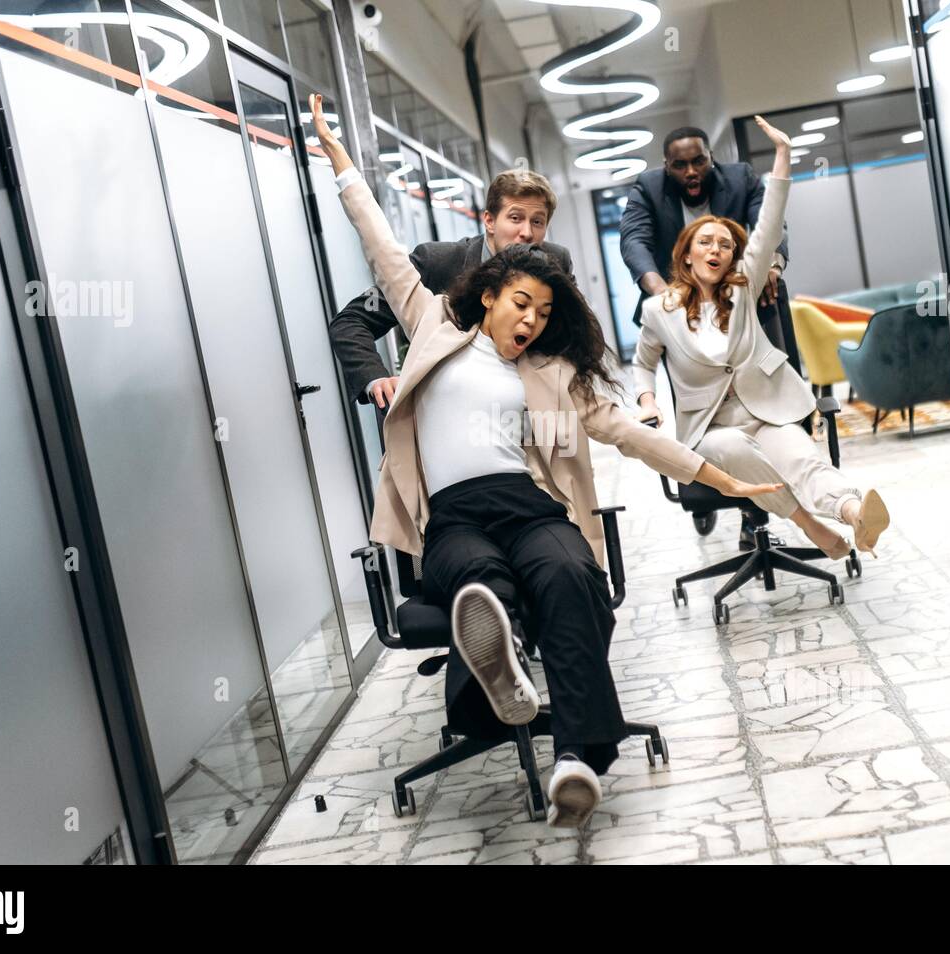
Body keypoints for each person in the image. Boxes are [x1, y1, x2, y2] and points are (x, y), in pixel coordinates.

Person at [309, 94, 782, 828]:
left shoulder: (553, 370)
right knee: (478, 583)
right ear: (490, 293)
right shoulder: (432, 325)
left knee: (568, 574)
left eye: (543, 314)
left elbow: (630, 433)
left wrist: (719, 477)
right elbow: (382, 244)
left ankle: (573, 757)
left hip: (529, 505)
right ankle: (503, 680)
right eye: (521, 305)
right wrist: (341, 164)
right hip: (453, 517)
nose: (530, 322)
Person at [633, 116, 890, 562]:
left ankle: (853, 513)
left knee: (801, 457)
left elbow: (768, 225)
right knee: (732, 448)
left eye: (726, 245)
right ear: (686, 254)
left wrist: (784, 155)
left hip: (765, 409)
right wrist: (647, 400)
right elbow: (642, 362)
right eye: (705, 243)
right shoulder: (660, 310)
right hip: (712, 427)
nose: (716, 249)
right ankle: (811, 527)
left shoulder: (742, 290)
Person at [328, 166, 572, 410]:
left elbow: (574, 333)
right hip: (450, 412)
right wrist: (376, 379)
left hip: (528, 418)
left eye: (537, 222)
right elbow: (351, 321)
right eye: (516, 218)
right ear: (489, 220)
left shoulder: (555, 262)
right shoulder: (438, 261)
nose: (527, 233)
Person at [619, 125, 801, 376]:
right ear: (666, 166)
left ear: (711, 157)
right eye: (680, 165)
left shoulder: (740, 178)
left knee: (773, 295)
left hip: (739, 291)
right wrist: (663, 292)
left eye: (699, 161)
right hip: (683, 299)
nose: (691, 172)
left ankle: (790, 407)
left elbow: (770, 222)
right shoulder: (649, 188)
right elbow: (634, 240)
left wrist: (773, 264)